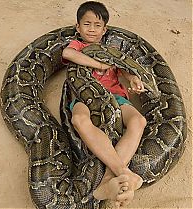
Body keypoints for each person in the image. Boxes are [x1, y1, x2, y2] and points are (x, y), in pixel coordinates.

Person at [62, 1, 147, 207]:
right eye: (87, 24)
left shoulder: (111, 50)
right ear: (77, 27)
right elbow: (67, 54)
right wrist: (99, 64)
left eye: (97, 25)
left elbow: (123, 68)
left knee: (138, 120)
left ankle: (109, 179)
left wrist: (134, 79)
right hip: (84, 97)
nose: (92, 29)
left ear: (104, 29)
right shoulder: (78, 47)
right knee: (79, 119)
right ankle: (122, 172)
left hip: (115, 96)